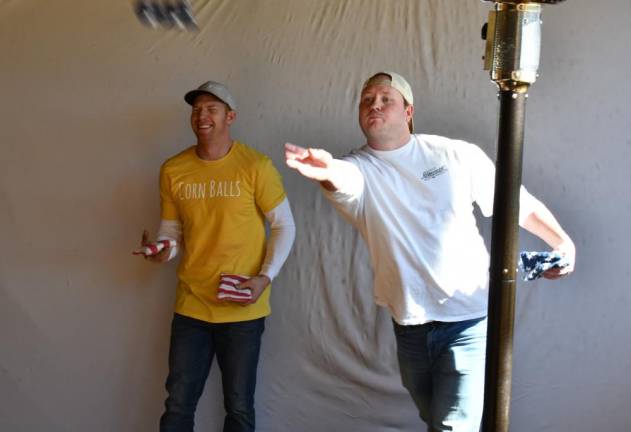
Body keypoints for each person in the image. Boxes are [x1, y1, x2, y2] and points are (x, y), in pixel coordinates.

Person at [284, 71, 575, 432]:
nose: (374, 104)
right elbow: (342, 177)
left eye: (385, 98)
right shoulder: (360, 169)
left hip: (468, 318)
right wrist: (325, 169)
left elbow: (515, 201)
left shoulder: (453, 154)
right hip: (410, 326)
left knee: (451, 427)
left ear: (408, 111)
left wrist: (562, 241)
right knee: (436, 418)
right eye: (366, 100)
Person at [138, 80, 296, 432]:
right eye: (196, 110)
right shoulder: (173, 170)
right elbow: (172, 231)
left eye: (212, 109)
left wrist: (264, 278)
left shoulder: (256, 166)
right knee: (177, 405)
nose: (201, 116)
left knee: (238, 408)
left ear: (230, 117)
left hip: (243, 305)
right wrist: (162, 250)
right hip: (191, 306)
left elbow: (285, 225)